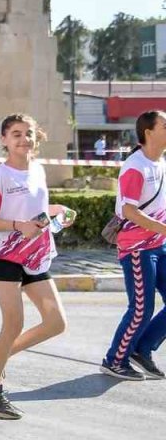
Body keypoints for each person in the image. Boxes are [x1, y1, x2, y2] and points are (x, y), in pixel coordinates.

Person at [0, 114, 70, 418]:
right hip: (6, 257)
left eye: (28, 134)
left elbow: (35, 212)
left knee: (56, 322)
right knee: (13, 324)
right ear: (4, 140)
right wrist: (17, 225)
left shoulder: (37, 170)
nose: (23, 139)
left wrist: (57, 211)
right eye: (16, 134)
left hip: (35, 256)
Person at [101, 109, 166, 380]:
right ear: (148, 132)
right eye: (165, 125)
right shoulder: (135, 166)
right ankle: (115, 359)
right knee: (141, 307)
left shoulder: (161, 163)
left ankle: (142, 349)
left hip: (159, 245)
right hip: (137, 247)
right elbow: (129, 211)